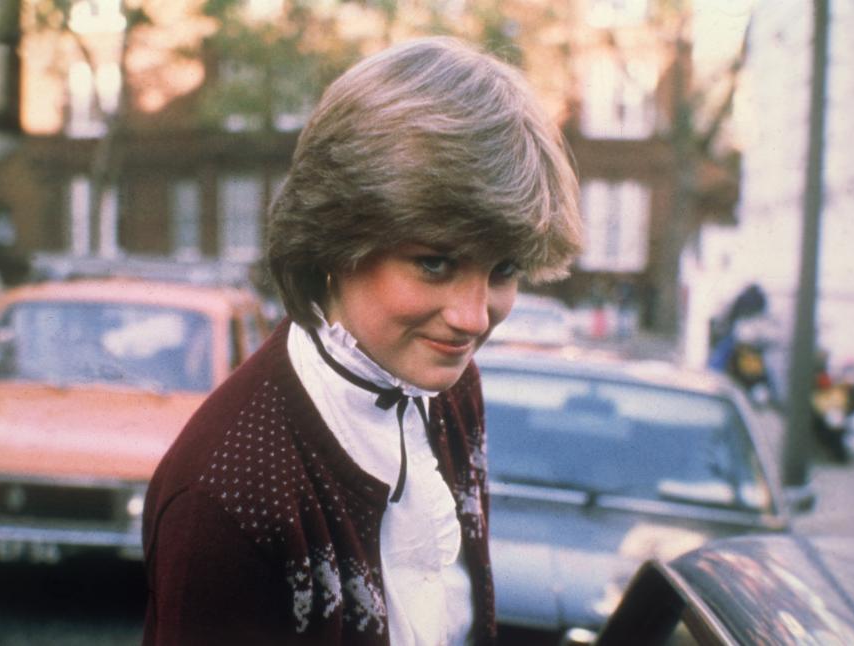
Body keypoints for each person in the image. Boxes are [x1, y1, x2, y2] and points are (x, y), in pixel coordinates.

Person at [142, 36, 582, 646]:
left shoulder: (448, 384)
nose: (475, 317)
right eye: (435, 263)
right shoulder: (224, 495)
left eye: (503, 269)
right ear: (334, 239)